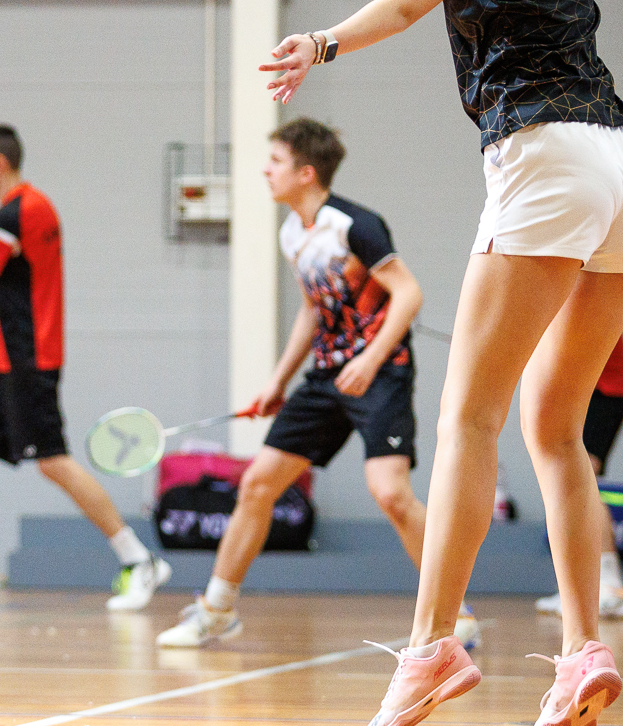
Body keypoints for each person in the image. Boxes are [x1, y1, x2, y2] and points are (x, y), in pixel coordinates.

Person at [271, 0, 623, 726]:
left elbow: (408, 3)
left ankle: (431, 646)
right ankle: (582, 649)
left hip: (547, 159)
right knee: (556, 428)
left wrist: (319, 44)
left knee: (468, 419)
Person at [155, 119, 479, 650]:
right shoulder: (292, 233)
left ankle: (455, 614)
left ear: (306, 173)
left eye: (276, 161)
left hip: (380, 372)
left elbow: (408, 294)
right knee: (257, 484)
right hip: (326, 377)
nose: (265, 170)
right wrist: (277, 381)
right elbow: (313, 310)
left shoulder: (355, 225)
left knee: (391, 494)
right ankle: (215, 610)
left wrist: (370, 359)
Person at [0, 124, 169, 612]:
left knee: (52, 461)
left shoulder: (13, 216)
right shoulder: (38, 205)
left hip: (29, 361)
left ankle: (139, 559)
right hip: (7, 361)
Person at [535, 336, 623, 617]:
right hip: (586, 389)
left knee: (581, 483)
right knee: (569, 485)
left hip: (605, 391)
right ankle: (577, 590)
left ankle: (610, 585)